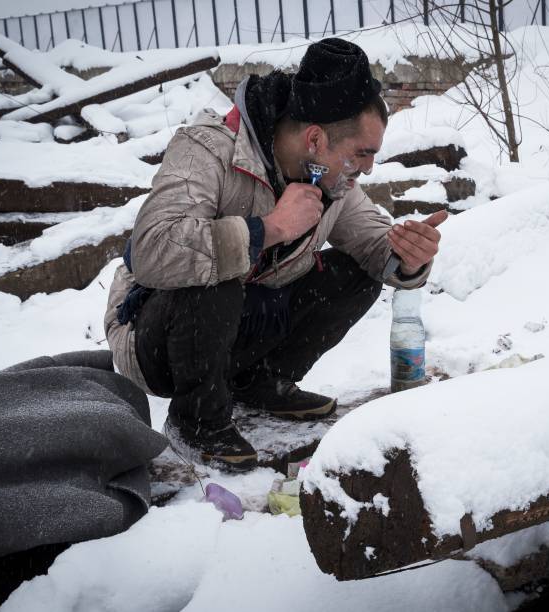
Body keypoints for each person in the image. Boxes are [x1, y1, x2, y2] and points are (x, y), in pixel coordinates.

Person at [104, 38, 446, 471]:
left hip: (235, 326)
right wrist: (267, 229)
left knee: (355, 272)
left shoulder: (330, 180)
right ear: (316, 139)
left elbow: (374, 245)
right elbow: (153, 250)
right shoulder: (207, 149)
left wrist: (408, 256)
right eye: (362, 153)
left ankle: (257, 381)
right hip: (155, 339)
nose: (369, 169)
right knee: (219, 271)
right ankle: (196, 419)